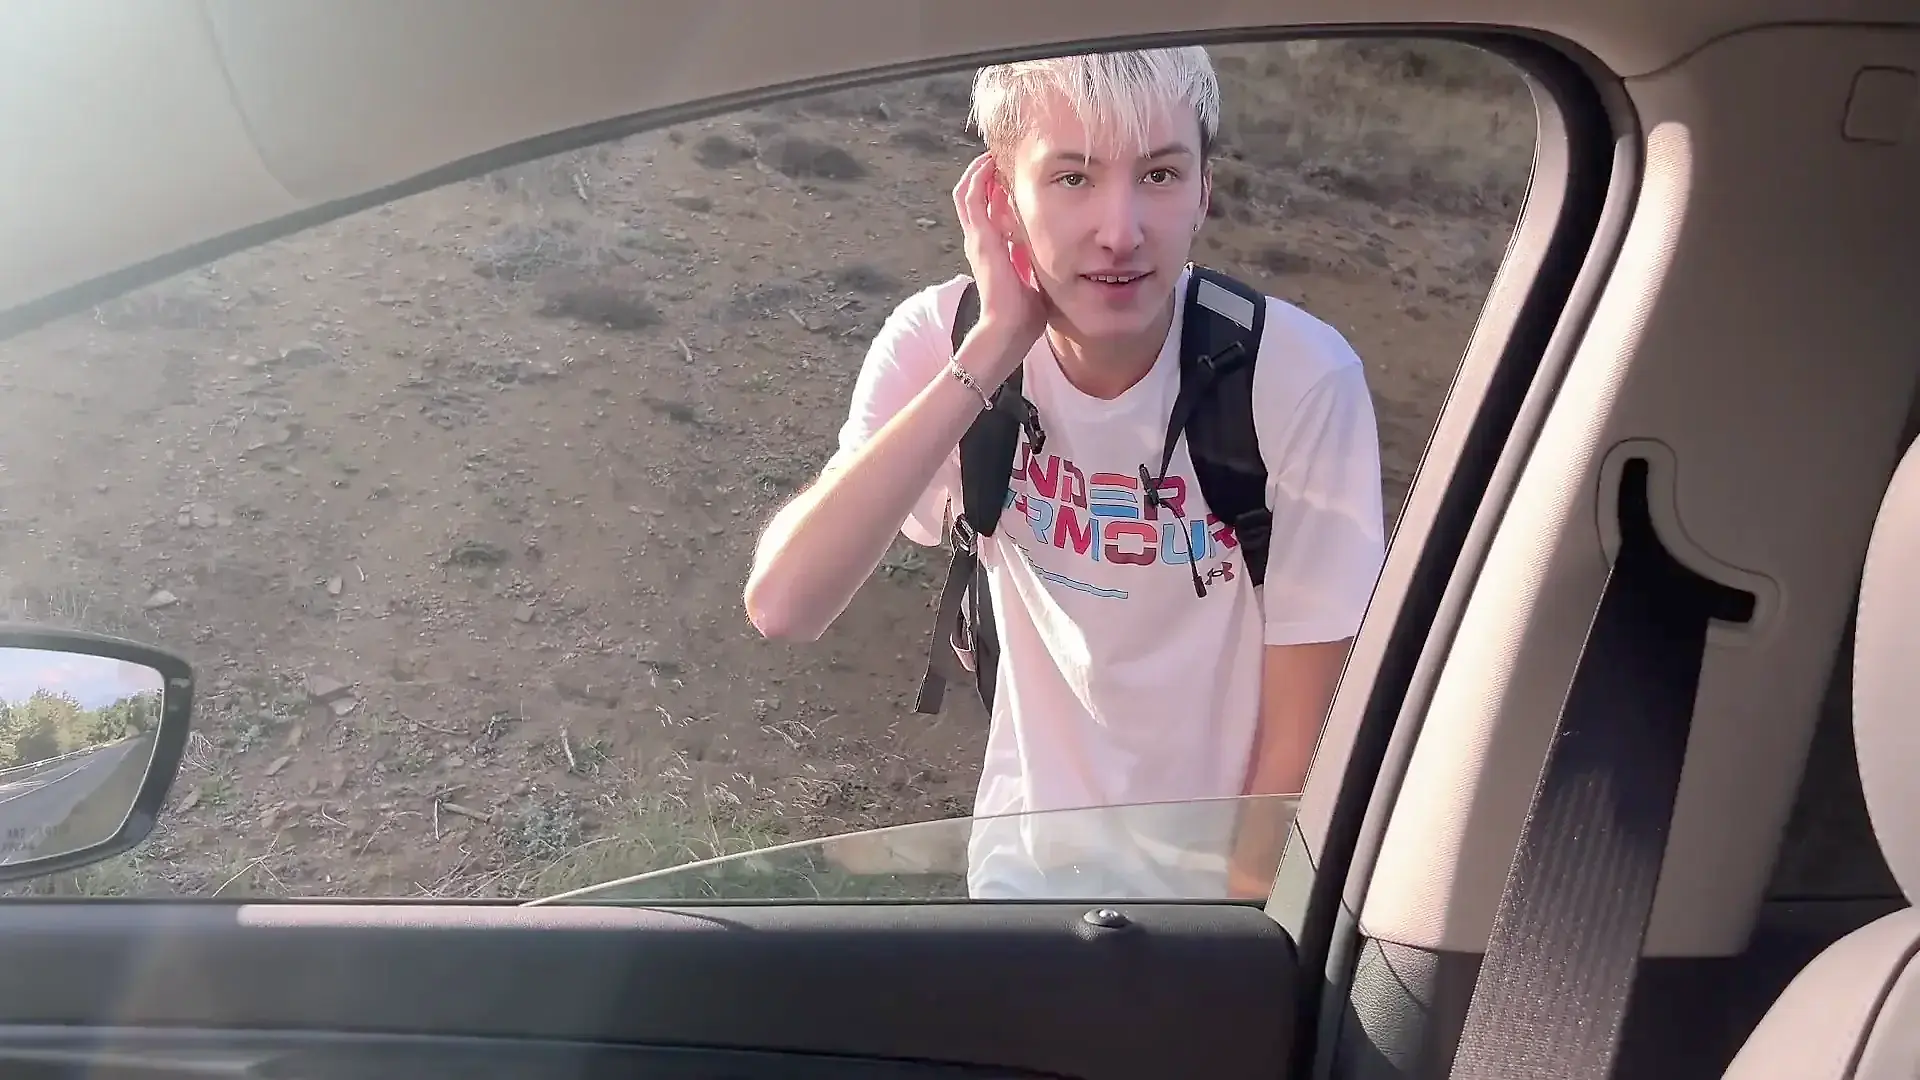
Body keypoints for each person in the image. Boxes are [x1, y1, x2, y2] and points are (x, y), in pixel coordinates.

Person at [744, 46, 1386, 899]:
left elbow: (1305, 738)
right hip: (1024, 883)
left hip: (1225, 903)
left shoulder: (1295, 376)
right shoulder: (942, 341)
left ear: (1204, 190)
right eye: (1073, 178)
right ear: (1000, 195)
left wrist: (1240, 934)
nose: (1120, 231)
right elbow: (786, 604)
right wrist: (994, 346)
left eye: (1159, 175)